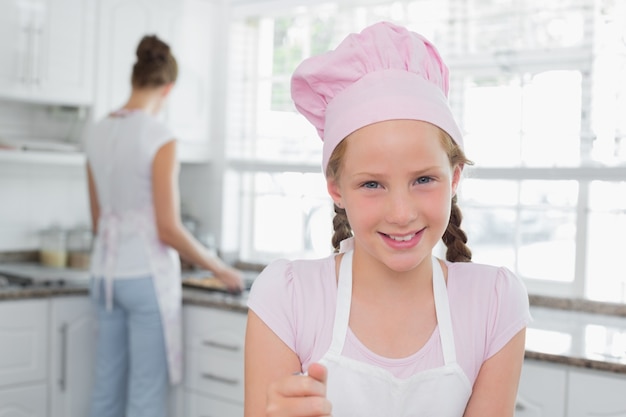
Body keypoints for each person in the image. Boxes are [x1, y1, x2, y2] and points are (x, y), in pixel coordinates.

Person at [244, 21, 531, 417]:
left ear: (455, 178)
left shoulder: (495, 302)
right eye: (372, 184)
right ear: (336, 188)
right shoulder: (287, 297)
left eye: (424, 179)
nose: (401, 213)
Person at [85, 34, 244, 417]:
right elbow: (167, 228)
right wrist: (220, 268)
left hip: (103, 275)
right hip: (146, 279)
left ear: (134, 79)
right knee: (145, 395)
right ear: (168, 88)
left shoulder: (95, 132)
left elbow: (97, 221)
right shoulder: (160, 137)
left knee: (105, 388)